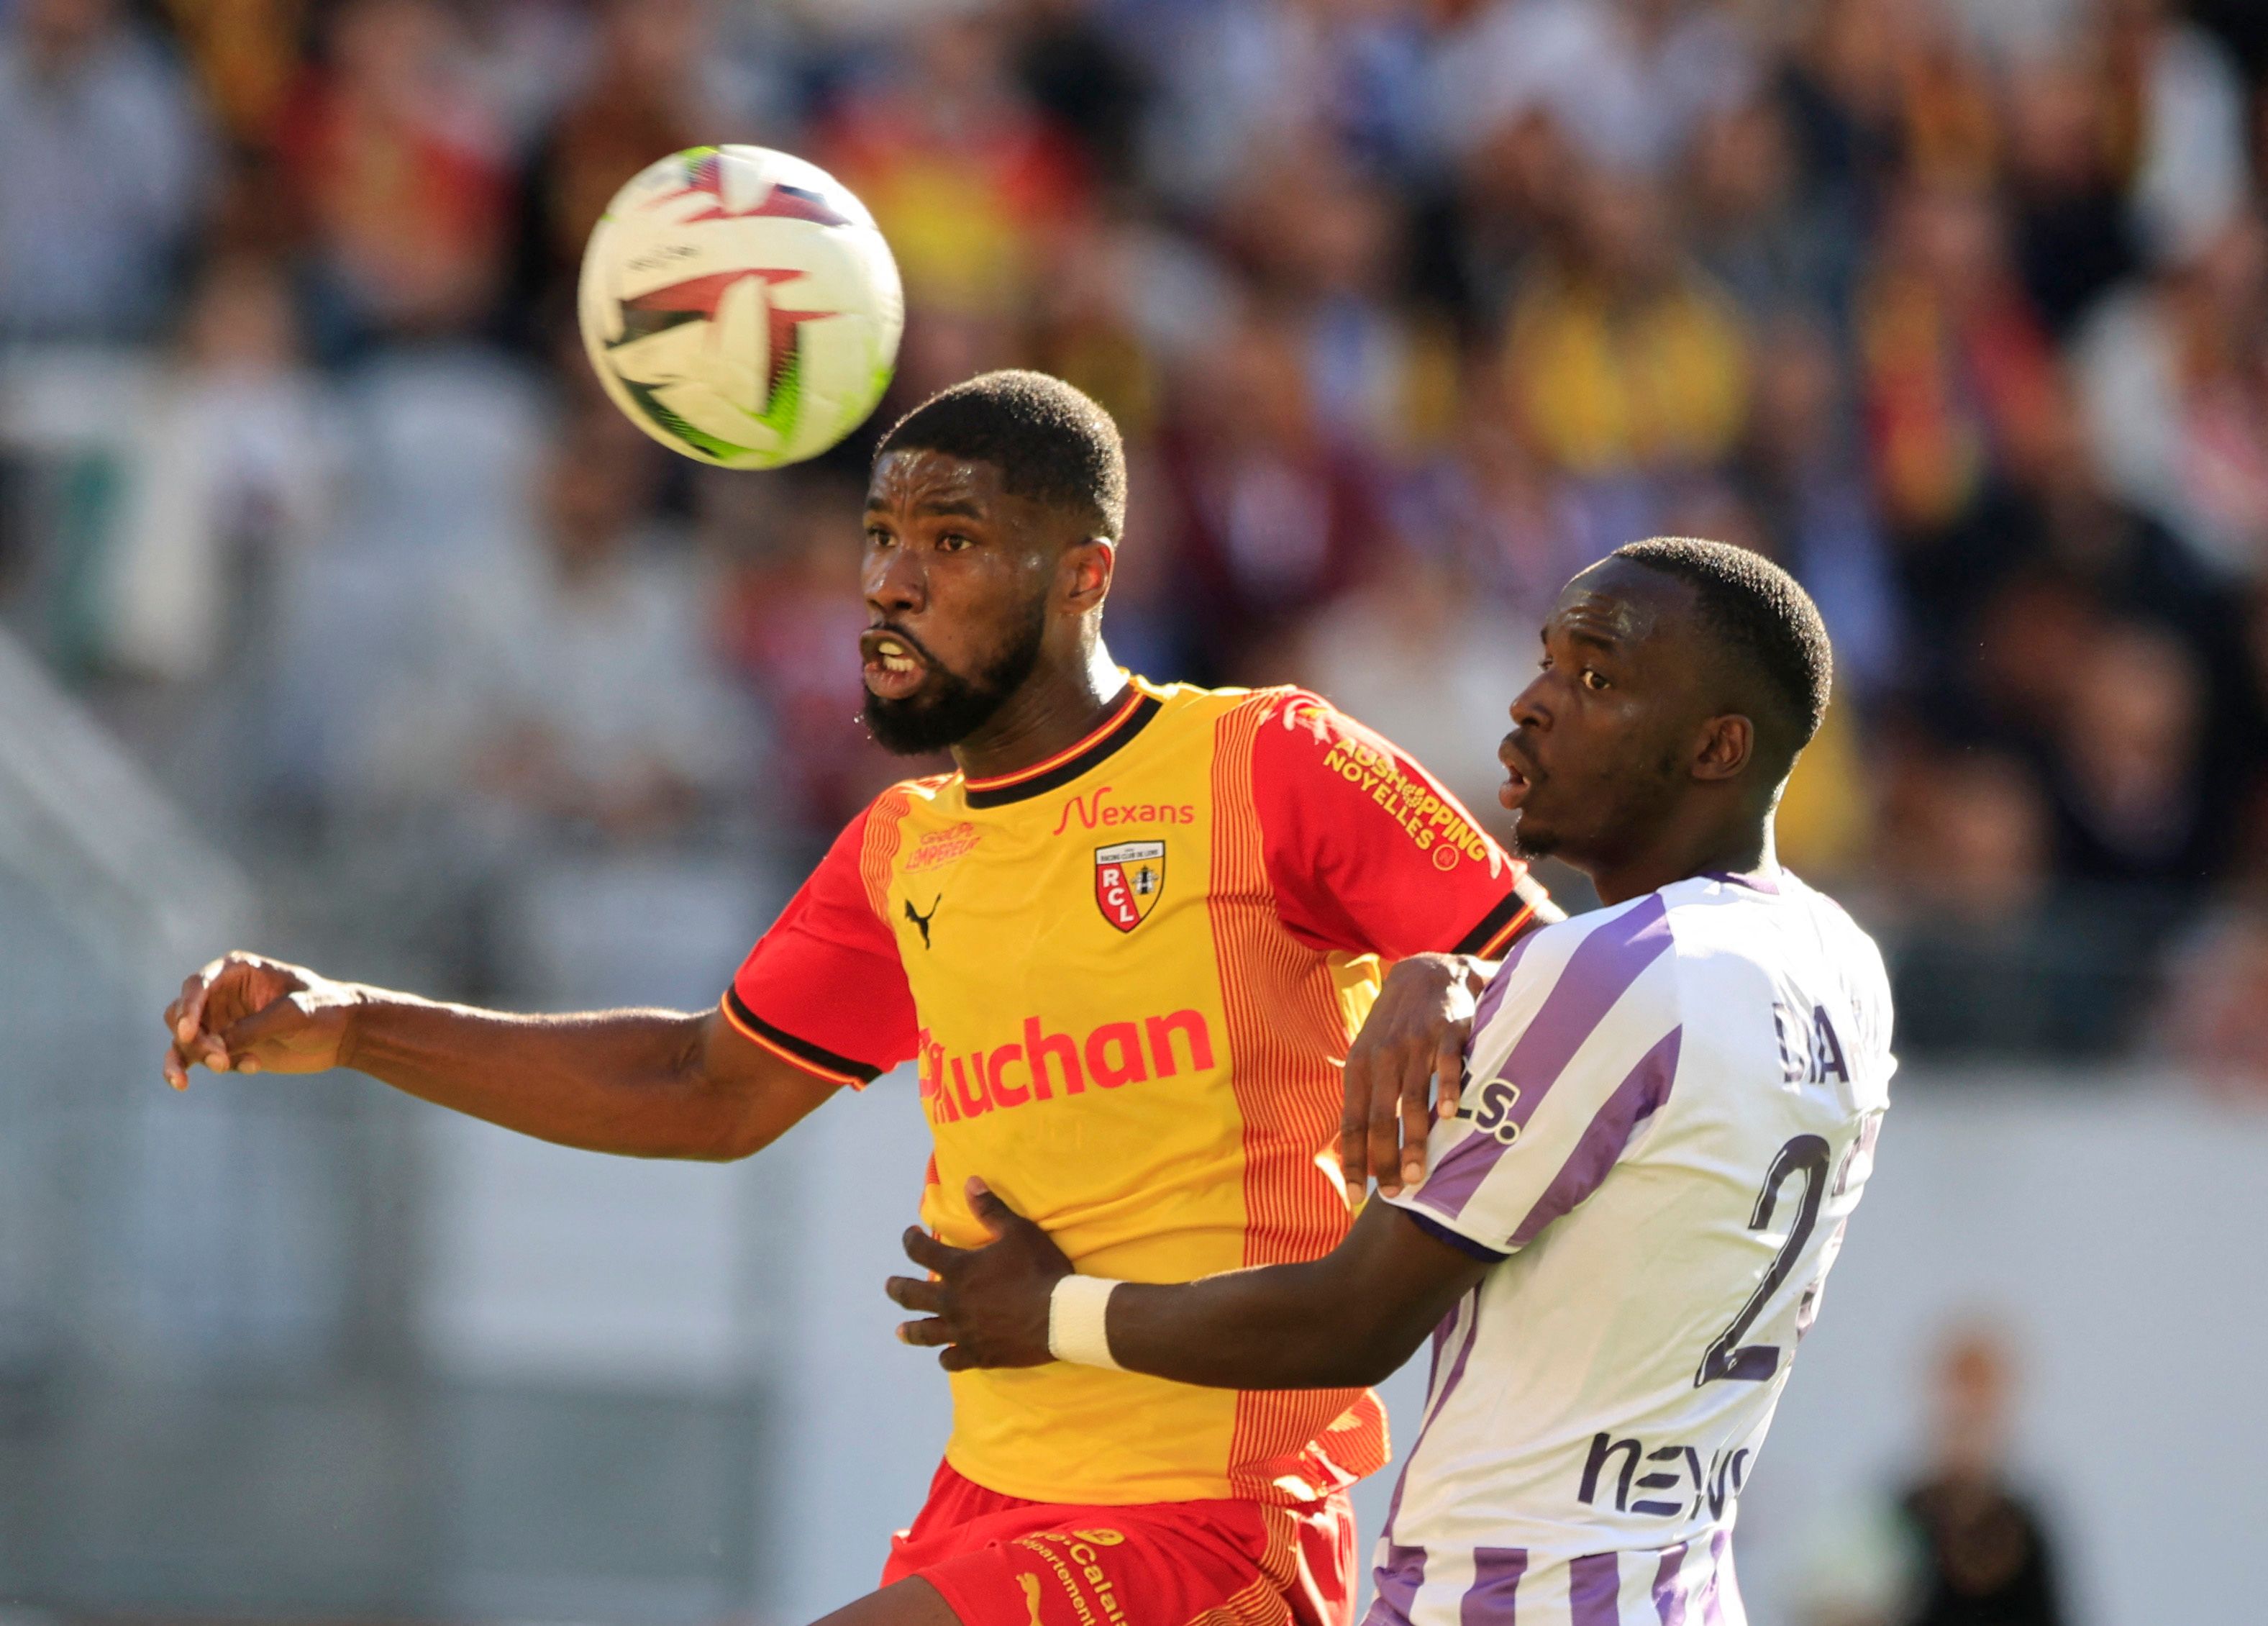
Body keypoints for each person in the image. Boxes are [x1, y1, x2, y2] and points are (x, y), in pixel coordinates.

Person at [159, 371, 1557, 1626]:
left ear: (1081, 575)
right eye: (880, 536)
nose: (889, 579)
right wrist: (354, 1022)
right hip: (987, 1500)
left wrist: (1444, 972)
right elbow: (702, 1087)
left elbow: (1571, 977)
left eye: (949, 540)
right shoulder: (903, 849)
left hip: (1209, 1529)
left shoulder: (1267, 761)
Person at [892, 538, 1895, 1626]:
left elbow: (1348, 1321)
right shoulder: (1837, 962)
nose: (1530, 704)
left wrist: (1049, 1313)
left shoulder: (1615, 974)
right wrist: (1457, 968)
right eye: (1547, 662)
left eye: (1596, 679)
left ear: (1717, 747)